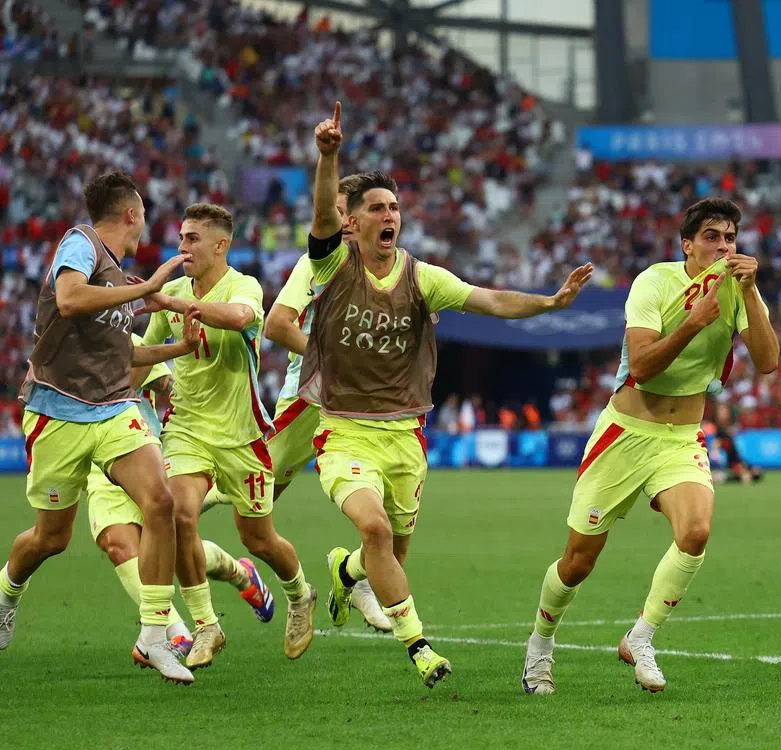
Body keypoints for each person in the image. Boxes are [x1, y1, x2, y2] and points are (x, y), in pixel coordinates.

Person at [306, 102, 592, 688]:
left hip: (406, 434)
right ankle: (420, 648)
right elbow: (320, 214)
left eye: (395, 208)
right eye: (377, 208)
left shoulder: (422, 277)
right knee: (378, 530)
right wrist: (329, 156)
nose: (389, 216)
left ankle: (345, 570)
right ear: (353, 223)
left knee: (388, 554)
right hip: (344, 430)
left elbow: (490, 300)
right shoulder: (334, 264)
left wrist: (549, 303)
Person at [521, 197, 780, 695]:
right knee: (577, 561)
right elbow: (640, 366)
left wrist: (749, 294)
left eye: (730, 238)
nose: (723, 247)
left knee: (697, 530)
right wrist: (694, 321)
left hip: (680, 438)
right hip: (624, 433)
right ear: (688, 245)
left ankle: (641, 637)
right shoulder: (654, 282)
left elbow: (768, 362)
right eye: (712, 237)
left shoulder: (739, 290)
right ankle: (540, 646)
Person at [0, 171, 199, 684]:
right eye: (144, 217)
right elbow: (68, 298)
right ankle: (7, 592)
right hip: (58, 411)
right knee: (50, 539)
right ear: (130, 214)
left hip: (113, 408)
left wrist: (177, 348)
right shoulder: (80, 243)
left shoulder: (118, 277)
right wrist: (149, 289)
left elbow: (123, 353)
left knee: (160, 502)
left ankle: (155, 635)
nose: (145, 228)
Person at [143, 203, 316, 670]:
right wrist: (156, 373)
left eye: (192, 239)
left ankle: (300, 593)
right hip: (187, 428)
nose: (182, 248)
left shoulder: (245, 286)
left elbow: (239, 317)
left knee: (258, 538)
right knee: (179, 515)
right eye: (181, 238)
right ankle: (206, 625)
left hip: (242, 434)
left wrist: (175, 304)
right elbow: (145, 350)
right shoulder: (172, 291)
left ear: (221, 245)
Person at [254, 174, 391, 632]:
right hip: (312, 398)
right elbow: (277, 325)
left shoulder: (390, 266)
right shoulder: (316, 264)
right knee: (247, 497)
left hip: (365, 402)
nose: (336, 220)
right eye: (330, 213)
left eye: (341, 212)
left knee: (386, 518)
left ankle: (354, 574)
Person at [88, 336, 275, 664]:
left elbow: (171, 387)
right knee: (118, 544)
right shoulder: (58, 353)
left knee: (168, 549)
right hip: (99, 470)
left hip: (144, 456)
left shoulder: (128, 344)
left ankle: (236, 573)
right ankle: (176, 631)